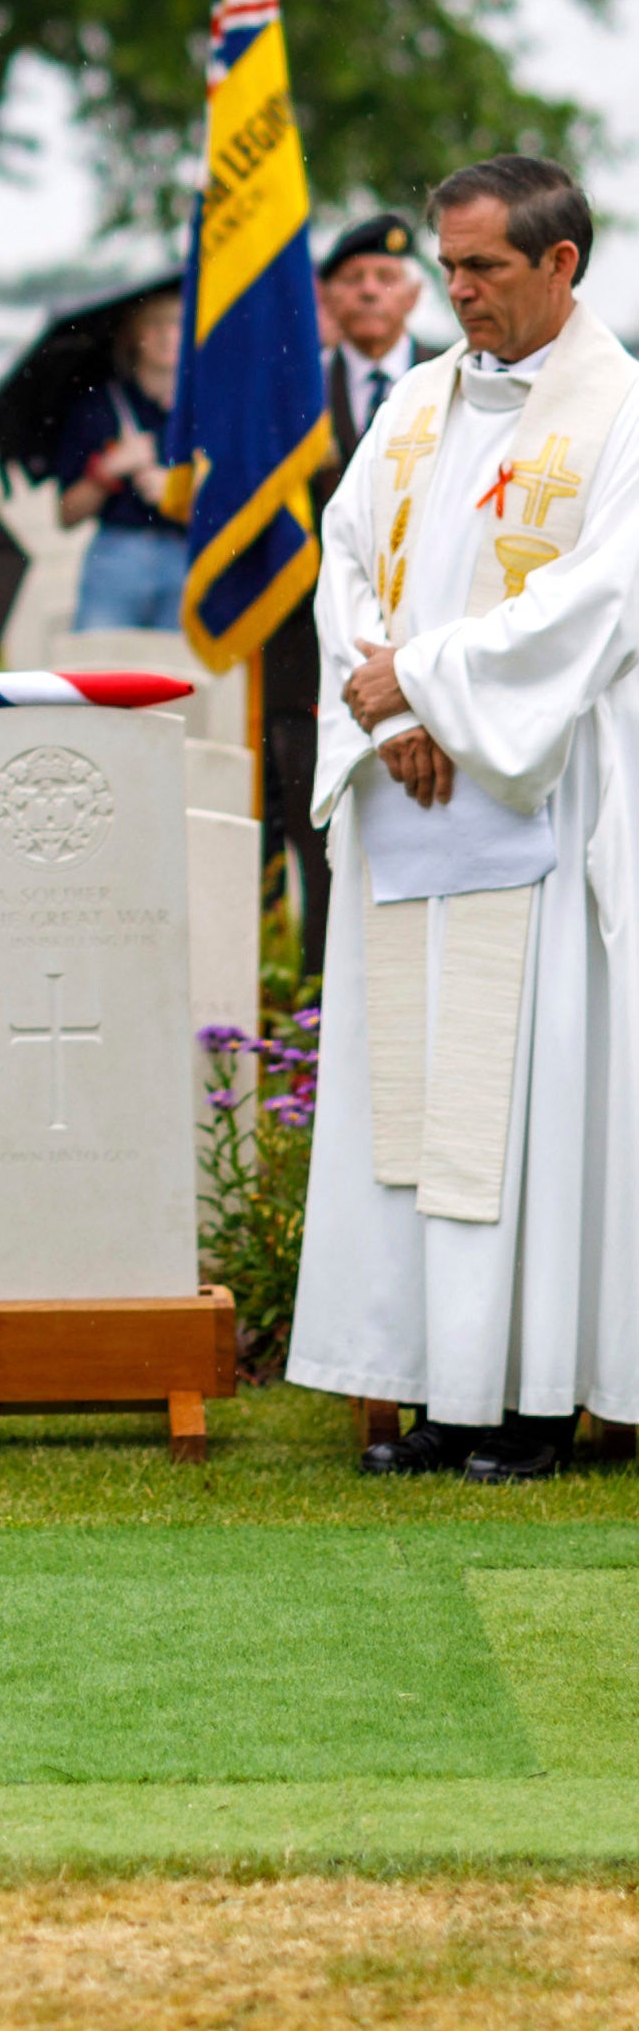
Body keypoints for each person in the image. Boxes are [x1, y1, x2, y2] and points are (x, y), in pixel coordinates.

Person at [289, 157, 639, 1480]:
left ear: (559, 264)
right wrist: (386, 716)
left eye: (482, 267)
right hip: (412, 787)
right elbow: (343, 556)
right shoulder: (415, 401)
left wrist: (432, 685)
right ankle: (443, 1393)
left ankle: (538, 1397)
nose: (455, 291)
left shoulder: (618, 412)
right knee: (420, 1101)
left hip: (537, 791)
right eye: (448, 264)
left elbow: (599, 601)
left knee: (523, 1096)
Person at [266, 214, 431, 956]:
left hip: (429, 655)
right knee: (320, 847)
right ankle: (314, 1033)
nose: (370, 291)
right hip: (312, 661)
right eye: (354, 279)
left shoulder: (457, 378)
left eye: (385, 278)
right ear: (327, 297)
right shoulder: (289, 397)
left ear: (414, 293)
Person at [55, 287, 190, 632]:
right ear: (132, 336)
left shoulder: (208, 410)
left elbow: (232, 501)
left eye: (177, 323)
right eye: (153, 325)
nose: (165, 335)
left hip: (187, 555)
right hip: (116, 555)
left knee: (178, 678)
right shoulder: (97, 406)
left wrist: (175, 492)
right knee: (103, 671)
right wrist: (108, 470)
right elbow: (67, 514)